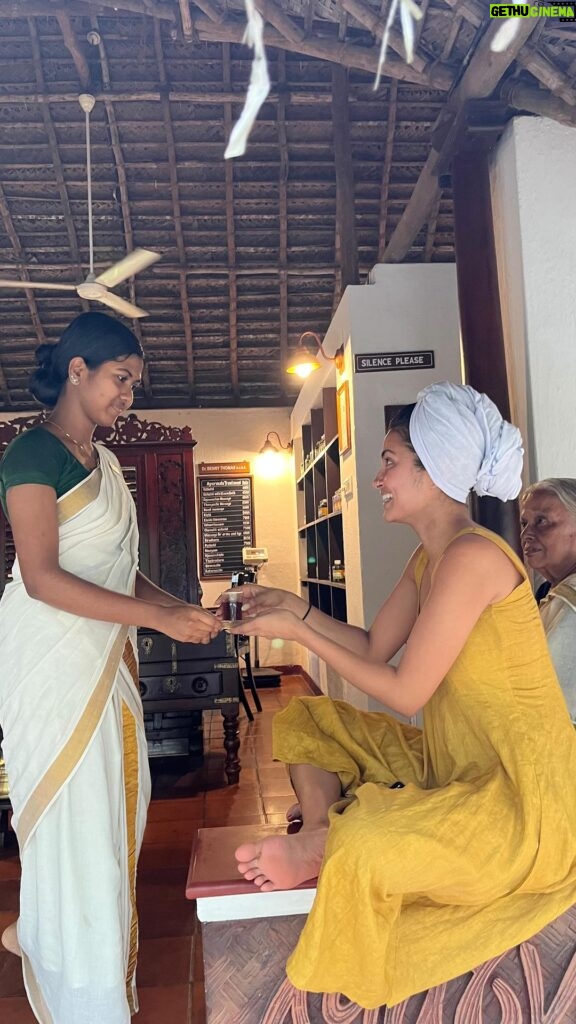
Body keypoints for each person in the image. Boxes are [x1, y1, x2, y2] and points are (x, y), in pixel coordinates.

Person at [222, 381, 576, 1010]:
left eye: (389, 461)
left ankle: (325, 842)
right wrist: (289, 606)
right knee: (308, 718)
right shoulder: (430, 557)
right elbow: (370, 647)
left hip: (525, 798)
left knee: (376, 841)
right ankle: (327, 828)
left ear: (432, 469)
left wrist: (293, 631)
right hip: (453, 764)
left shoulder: (474, 558)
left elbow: (407, 692)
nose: (378, 477)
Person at [0, 311, 221, 1023]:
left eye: (134, 383)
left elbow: (123, 576)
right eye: (121, 379)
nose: (130, 394)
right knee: (74, 815)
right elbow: (40, 577)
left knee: (115, 810)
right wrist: (158, 619)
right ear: (77, 370)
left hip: (103, 658)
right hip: (51, 660)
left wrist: (180, 610)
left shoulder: (111, 462)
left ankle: (59, 943)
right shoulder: (33, 453)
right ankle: (79, 989)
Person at [520, 478, 576, 723]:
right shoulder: (546, 591)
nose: (526, 534)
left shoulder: (569, 600)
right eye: (524, 523)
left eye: (541, 522)